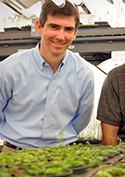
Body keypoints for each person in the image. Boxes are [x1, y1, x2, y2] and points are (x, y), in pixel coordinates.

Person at [0, 0, 94, 151]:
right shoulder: (10, 68)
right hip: (14, 153)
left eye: (68, 29)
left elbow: (81, 119)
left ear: (75, 33)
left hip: (63, 155)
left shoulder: (84, 73)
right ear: (39, 26)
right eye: (54, 27)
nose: (60, 36)